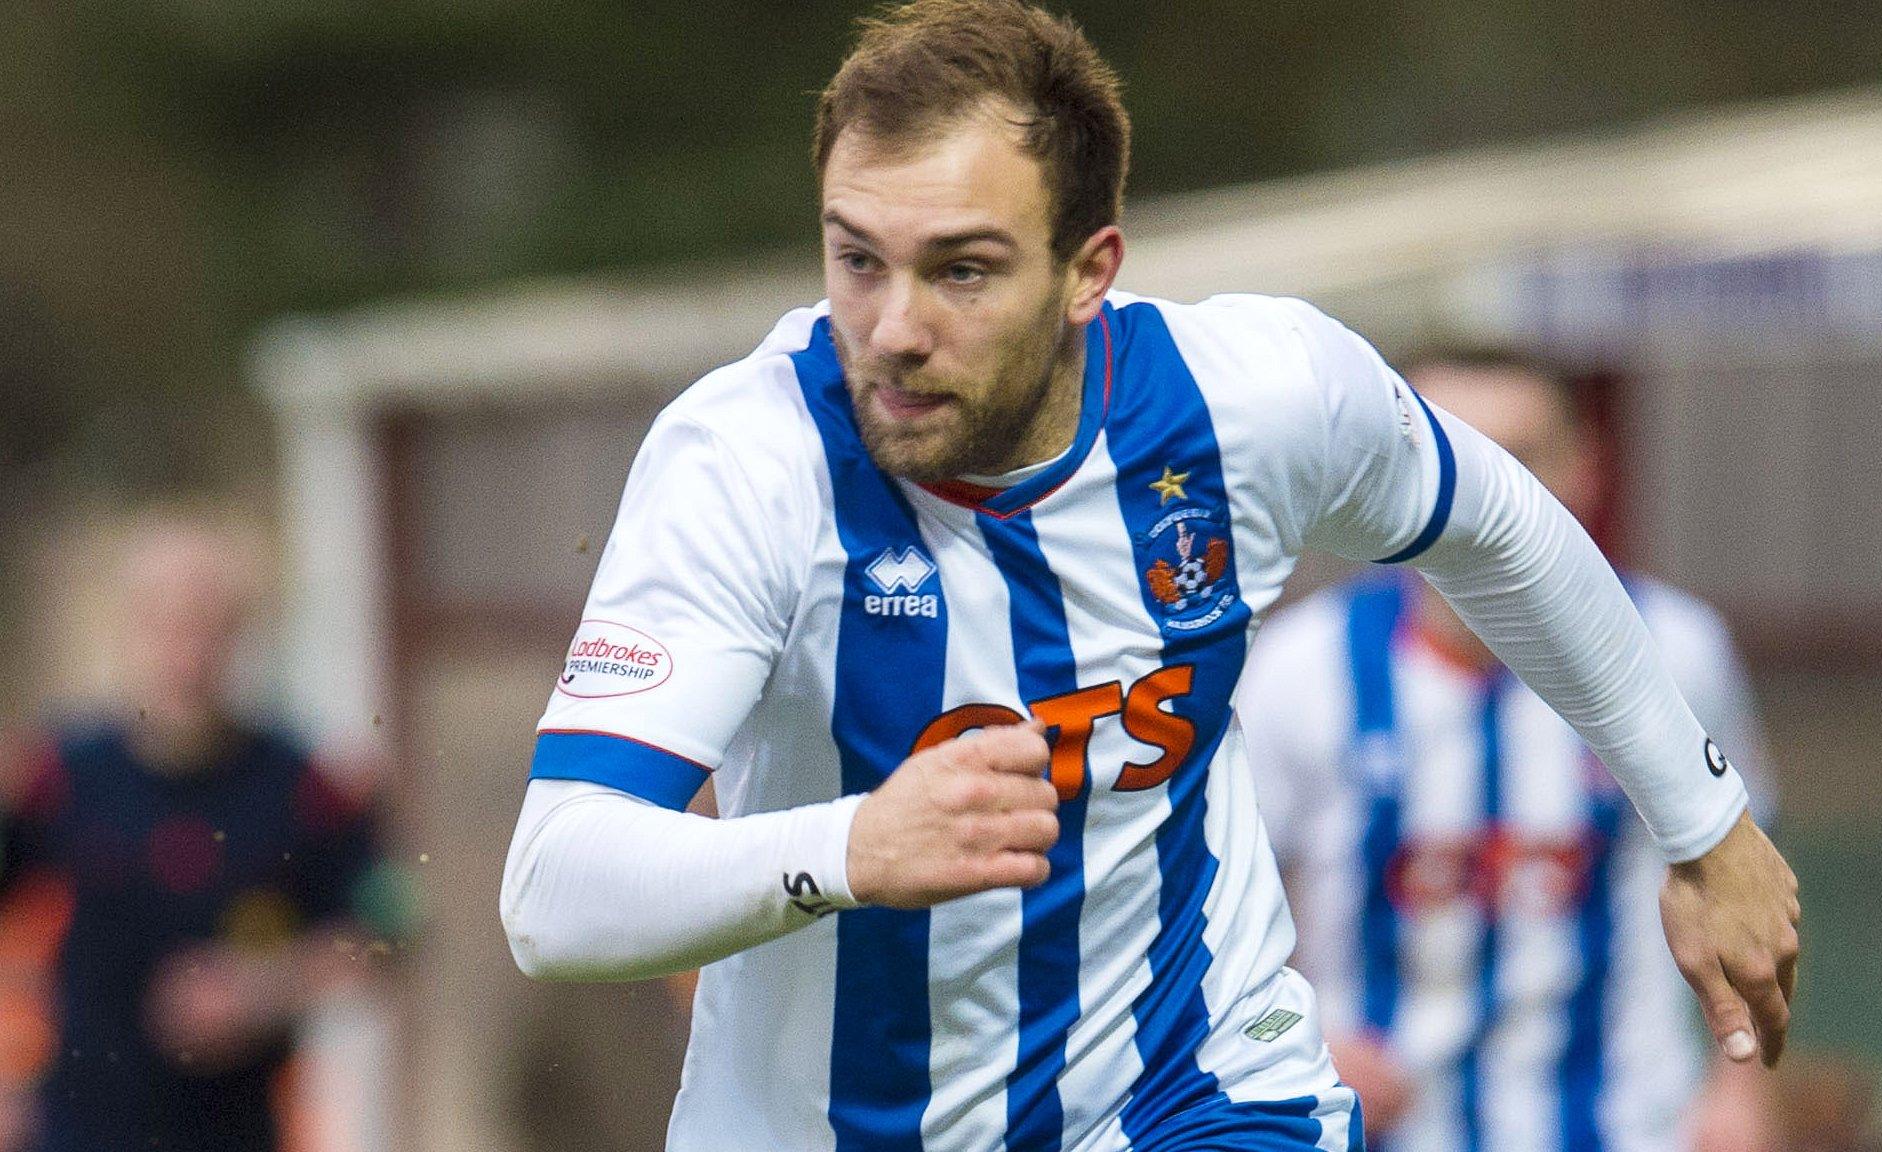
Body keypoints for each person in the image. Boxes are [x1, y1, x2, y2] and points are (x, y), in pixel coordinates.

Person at [496, 3, 1801, 1149]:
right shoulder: (748, 465)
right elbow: (557, 890)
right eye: (857, 259)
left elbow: (1500, 525)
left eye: (962, 269)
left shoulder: (1258, 400)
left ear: (1089, 272)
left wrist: (1703, 827)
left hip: (1196, 1098)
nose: (894, 330)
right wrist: (853, 846)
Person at [1237, 350, 1786, 1152]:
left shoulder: (1678, 648)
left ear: (1585, 468)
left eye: (1521, 458)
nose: (1484, 495)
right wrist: (1284, 1043)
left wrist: (1742, 1093)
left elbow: (1747, 886)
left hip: (1628, 1130)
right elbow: (1212, 910)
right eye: (1448, 458)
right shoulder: (1298, 668)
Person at [0, 515, 393, 1152]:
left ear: (241, 632)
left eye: (205, 621)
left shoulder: (301, 784)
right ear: (126, 627)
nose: (184, 648)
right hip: (74, 1132)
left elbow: (391, 933)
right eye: (161, 619)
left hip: (239, 1134)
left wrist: (266, 986)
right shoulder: (55, 775)